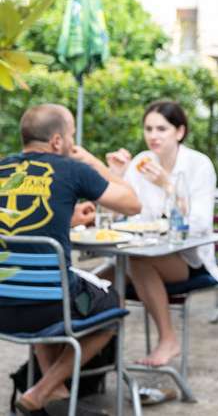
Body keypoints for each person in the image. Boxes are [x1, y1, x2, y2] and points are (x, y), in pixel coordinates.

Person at [0, 104, 140, 414]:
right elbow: (132, 203)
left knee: (40, 288)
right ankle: (42, 390)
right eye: (72, 135)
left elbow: (22, 220)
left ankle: (57, 393)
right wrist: (91, 161)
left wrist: (68, 216)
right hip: (49, 310)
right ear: (57, 141)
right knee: (113, 306)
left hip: (3, 308)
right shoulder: (72, 169)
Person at [105, 100, 218, 367]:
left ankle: (168, 340)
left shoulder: (199, 165)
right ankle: (99, 356)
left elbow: (200, 224)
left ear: (179, 132)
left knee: (138, 260)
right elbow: (120, 215)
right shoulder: (140, 163)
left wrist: (167, 185)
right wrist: (115, 177)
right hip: (142, 251)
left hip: (190, 259)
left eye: (161, 129)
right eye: (148, 129)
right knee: (96, 283)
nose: (153, 136)